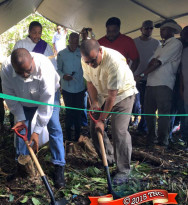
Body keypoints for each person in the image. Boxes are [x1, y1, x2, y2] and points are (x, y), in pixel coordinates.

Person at [0, 48, 65, 188]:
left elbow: (46, 103)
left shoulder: (44, 67)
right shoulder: (6, 69)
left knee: (54, 127)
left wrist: (37, 131)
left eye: (28, 70)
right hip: (23, 101)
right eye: (20, 72)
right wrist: (21, 119)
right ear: (13, 67)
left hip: (47, 98)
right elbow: (9, 96)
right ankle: (21, 166)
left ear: (32, 61)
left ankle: (59, 167)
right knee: (21, 130)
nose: (24, 75)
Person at [81, 39, 137, 184]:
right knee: (94, 129)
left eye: (93, 61)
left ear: (100, 51)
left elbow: (113, 95)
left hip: (122, 94)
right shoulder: (86, 59)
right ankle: (108, 158)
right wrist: (94, 102)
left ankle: (124, 170)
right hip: (102, 93)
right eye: (87, 62)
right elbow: (90, 82)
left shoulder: (113, 61)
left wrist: (102, 119)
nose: (90, 65)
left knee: (119, 130)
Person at [135, 19, 183, 148]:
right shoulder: (161, 45)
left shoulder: (175, 43)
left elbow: (156, 62)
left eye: (165, 29)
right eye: (161, 29)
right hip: (151, 83)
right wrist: (152, 65)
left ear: (173, 31)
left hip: (164, 83)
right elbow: (152, 62)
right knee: (148, 113)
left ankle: (162, 142)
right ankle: (151, 139)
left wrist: (142, 75)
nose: (161, 31)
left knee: (163, 115)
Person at [57, 33, 86, 141]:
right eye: (72, 41)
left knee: (78, 112)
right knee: (69, 113)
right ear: (68, 41)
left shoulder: (82, 53)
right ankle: (68, 138)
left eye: (76, 41)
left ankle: (78, 137)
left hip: (80, 87)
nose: (74, 43)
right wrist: (63, 76)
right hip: (67, 88)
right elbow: (58, 69)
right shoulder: (61, 54)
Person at [133, 20, 160, 134]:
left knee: (146, 103)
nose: (149, 30)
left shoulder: (156, 43)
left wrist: (144, 74)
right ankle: (134, 120)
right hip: (134, 77)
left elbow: (158, 60)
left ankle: (143, 126)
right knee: (134, 102)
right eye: (146, 28)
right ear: (141, 29)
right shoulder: (134, 42)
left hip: (149, 78)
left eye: (151, 28)